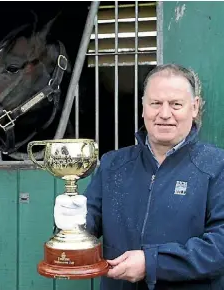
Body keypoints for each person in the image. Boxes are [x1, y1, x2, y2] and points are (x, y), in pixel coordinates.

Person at [54, 63, 224, 290]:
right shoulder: (113, 164)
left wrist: (151, 263)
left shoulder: (217, 165)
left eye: (176, 104)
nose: (165, 114)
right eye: (155, 103)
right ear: (143, 108)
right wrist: (70, 225)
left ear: (194, 108)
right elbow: (90, 221)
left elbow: (219, 246)